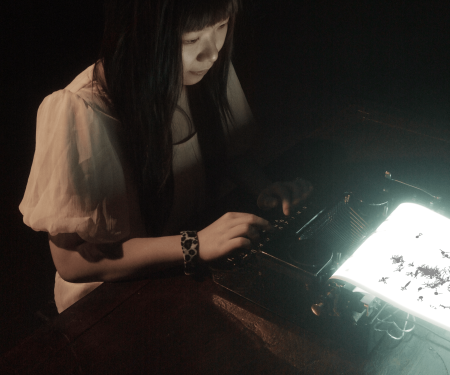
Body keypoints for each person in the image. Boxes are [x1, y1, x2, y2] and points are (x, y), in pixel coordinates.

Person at [19, 0, 313, 313]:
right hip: (112, 299)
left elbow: (226, 153)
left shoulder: (201, 72)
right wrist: (194, 244)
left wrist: (263, 188)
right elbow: (71, 262)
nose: (211, 52)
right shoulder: (81, 109)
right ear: (141, 34)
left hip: (179, 271)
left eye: (221, 26)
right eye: (190, 39)